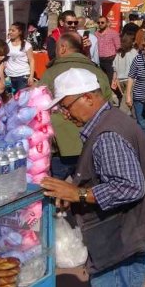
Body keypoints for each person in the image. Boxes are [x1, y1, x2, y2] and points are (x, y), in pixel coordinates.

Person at [39, 69, 145, 287]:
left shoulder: (108, 134)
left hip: (123, 245)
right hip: (126, 238)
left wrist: (77, 193)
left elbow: (129, 187)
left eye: (66, 106)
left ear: (88, 98)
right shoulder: (110, 121)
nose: (65, 114)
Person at [39, 33, 113, 180]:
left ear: (62, 48)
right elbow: (107, 102)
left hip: (62, 146)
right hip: (93, 144)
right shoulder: (97, 71)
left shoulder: (50, 73)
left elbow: (39, 106)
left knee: (57, 191)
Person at [6, 22, 36, 92]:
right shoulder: (7, 43)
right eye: (9, 30)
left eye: (13, 31)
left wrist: (31, 76)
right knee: (10, 99)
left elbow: (31, 60)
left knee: (21, 98)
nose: (10, 32)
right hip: (9, 75)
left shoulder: (27, 45)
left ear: (20, 32)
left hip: (22, 75)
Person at [111, 34, 138, 112]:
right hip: (121, 81)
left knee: (124, 108)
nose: (122, 44)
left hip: (130, 81)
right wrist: (114, 80)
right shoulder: (119, 53)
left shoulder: (133, 53)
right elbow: (115, 68)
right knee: (129, 104)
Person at [94, 16, 122, 83]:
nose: (100, 24)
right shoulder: (95, 34)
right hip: (99, 60)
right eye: (98, 22)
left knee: (111, 80)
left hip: (110, 60)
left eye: (102, 22)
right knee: (101, 80)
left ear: (106, 23)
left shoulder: (113, 33)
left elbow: (118, 47)